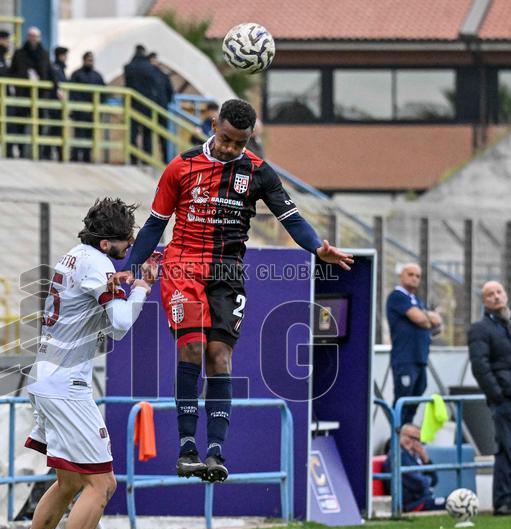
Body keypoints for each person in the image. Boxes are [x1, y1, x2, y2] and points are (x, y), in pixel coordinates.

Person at [126, 99, 353, 482]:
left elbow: (291, 218)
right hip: (183, 265)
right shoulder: (181, 166)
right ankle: (186, 447)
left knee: (219, 356)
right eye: (226, 139)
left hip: (228, 272)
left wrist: (317, 247)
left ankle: (215, 453)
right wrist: (131, 268)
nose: (231, 148)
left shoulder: (260, 173)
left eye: (240, 143)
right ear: (214, 125)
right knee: (193, 347)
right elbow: (154, 224)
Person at [8, 198, 156, 529]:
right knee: (102, 484)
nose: (130, 242)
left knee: (71, 482)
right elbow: (121, 325)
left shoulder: (75, 256)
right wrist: (142, 287)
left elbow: (99, 308)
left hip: (46, 375)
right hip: (66, 384)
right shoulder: (98, 265)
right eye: (126, 237)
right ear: (107, 240)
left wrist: (125, 279)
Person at [468, 281, 511, 515]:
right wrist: (497, 394)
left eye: (499, 292)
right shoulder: (481, 329)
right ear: (484, 301)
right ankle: (503, 501)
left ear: (506, 295)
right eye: (490, 294)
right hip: (505, 397)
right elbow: (480, 365)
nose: (496, 297)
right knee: (505, 448)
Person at [387, 263, 442, 425]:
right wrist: (428, 318)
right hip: (405, 358)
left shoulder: (416, 300)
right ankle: (397, 440)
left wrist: (427, 319)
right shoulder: (397, 297)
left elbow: (436, 325)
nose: (414, 278)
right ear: (401, 275)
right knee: (403, 400)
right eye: (410, 274)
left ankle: (407, 438)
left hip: (420, 358)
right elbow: (421, 320)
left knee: (415, 399)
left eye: (418, 276)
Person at [7, 26, 57, 159]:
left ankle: (38, 152)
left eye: (35, 36)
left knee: (39, 125)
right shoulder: (19, 54)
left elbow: (50, 74)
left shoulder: (44, 54)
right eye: (31, 36)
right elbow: (12, 72)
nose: (33, 39)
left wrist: (57, 89)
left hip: (40, 97)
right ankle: (20, 151)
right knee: (20, 124)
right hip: (23, 94)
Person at [381, 424, 445, 512]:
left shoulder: (414, 456)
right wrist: (427, 481)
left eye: (418, 440)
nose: (415, 443)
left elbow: (434, 480)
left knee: (452, 500)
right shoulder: (398, 456)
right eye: (411, 438)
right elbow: (420, 484)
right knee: (451, 503)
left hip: (423, 500)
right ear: (401, 437)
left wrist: (425, 459)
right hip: (412, 504)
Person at [123, 44, 157, 162]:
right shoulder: (150, 68)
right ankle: (147, 159)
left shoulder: (128, 67)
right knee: (147, 133)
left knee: (132, 133)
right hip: (148, 105)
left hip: (132, 104)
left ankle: (133, 158)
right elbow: (154, 86)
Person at [68, 51, 104, 163]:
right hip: (79, 111)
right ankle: (75, 156)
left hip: (92, 112)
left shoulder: (97, 76)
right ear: (84, 60)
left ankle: (87, 157)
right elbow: (72, 92)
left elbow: (103, 93)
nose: (90, 62)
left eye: (92, 60)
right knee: (78, 134)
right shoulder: (77, 75)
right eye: (88, 60)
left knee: (89, 135)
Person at [148, 52, 174, 160]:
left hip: (150, 108)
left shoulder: (148, 75)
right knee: (163, 135)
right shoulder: (163, 75)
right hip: (162, 107)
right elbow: (170, 92)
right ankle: (165, 159)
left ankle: (149, 159)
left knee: (148, 134)